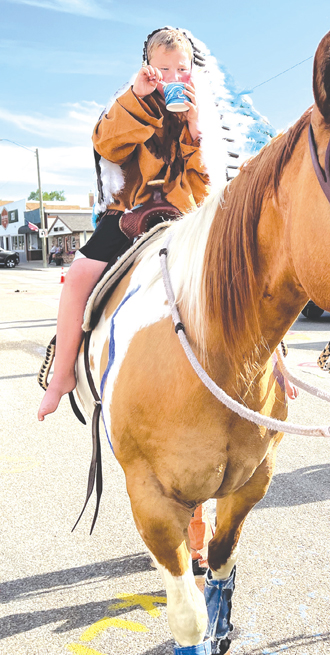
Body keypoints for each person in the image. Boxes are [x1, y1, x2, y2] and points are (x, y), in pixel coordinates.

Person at [38, 27, 209, 421]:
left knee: (242, 258)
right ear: (148, 67)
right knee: (79, 274)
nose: (171, 75)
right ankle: (62, 373)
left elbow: (206, 181)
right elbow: (107, 144)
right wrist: (138, 96)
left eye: (180, 68)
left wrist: (196, 129)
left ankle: (274, 362)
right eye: (162, 67)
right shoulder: (130, 101)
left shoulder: (200, 112)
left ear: (191, 71)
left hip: (183, 213)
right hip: (129, 211)